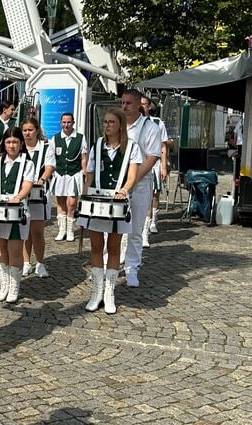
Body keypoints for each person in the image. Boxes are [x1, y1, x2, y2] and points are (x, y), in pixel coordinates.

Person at [80, 108, 142, 314]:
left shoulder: (131, 147)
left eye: (111, 122)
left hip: (117, 202)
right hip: (97, 201)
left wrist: (124, 190)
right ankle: (97, 291)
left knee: (114, 247)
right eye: (105, 122)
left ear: (120, 125)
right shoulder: (97, 145)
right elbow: (89, 173)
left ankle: (109, 292)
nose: (107, 126)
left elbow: (132, 176)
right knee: (96, 247)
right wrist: (84, 196)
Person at [120, 90, 162, 287]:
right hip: (117, 185)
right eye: (123, 102)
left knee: (135, 229)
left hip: (140, 184)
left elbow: (152, 157)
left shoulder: (150, 127)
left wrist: (132, 180)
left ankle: (132, 268)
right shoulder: (117, 125)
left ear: (138, 105)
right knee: (110, 229)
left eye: (129, 103)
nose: (125, 106)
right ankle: (107, 264)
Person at [0, 127, 34, 303]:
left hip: (17, 210)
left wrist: (18, 198)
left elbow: (27, 184)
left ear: (21, 143)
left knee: (14, 249)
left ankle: (14, 287)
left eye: (15, 142)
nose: (11, 145)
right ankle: (4, 285)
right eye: (8, 142)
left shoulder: (26, 163)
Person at [20, 118, 55, 278]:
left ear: (36, 131)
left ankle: (40, 263)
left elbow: (49, 167)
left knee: (38, 231)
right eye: (25, 130)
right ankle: (26, 262)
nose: (27, 133)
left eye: (30, 130)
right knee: (25, 230)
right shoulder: (19, 147)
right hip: (23, 192)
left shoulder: (45, 147)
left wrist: (41, 180)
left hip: (39, 192)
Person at [48, 112, 88, 242]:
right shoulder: (55, 138)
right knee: (60, 202)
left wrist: (84, 170)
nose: (66, 125)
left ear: (73, 123)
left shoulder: (80, 138)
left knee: (71, 203)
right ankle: (62, 230)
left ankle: (70, 230)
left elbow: (83, 157)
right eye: (64, 122)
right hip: (60, 174)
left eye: (69, 122)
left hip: (73, 174)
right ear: (60, 123)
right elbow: (51, 157)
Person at [139, 97, 171, 246]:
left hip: (154, 164)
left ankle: (149, 227)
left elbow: (164, 146)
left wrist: (164, 167)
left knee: (153, 195)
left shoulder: (157, 123)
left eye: (144, 104)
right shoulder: (131, 123)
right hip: (136, 165)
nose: (141, 107)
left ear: (149, 106)